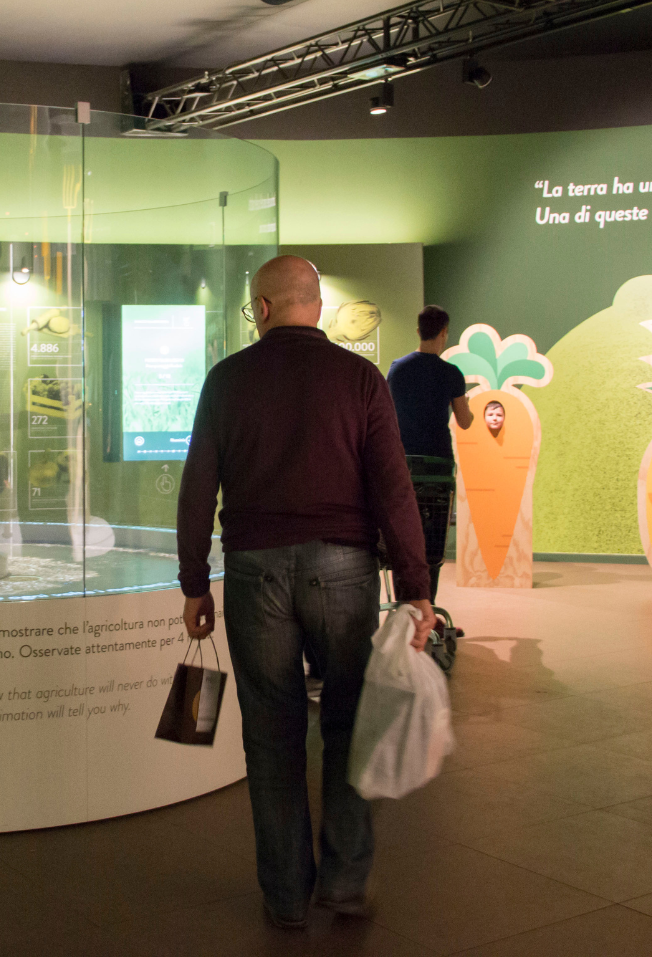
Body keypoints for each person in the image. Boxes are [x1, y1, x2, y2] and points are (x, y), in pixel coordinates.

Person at [177, 255, 433, 929]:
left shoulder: (227, 381)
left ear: (261, 309)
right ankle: (343, 883)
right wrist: (416, 588)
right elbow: (393, 486)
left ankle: (286, 896)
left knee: (270, 733)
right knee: (350, 726)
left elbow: (198, 486)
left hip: (255, 572)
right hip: (346, 573)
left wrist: (194, 584)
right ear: (315, 306)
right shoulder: (360, 378)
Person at [386, 304, 474, 599]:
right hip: (437, 468)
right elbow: (465, 421)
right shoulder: (451, 374)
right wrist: (465, 403)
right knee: (433, 544)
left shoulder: (398, 369)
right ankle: (428, 605)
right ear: (444, 333)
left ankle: (404, 607)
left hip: (404, 466)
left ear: (417, 331)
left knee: (402, 537)